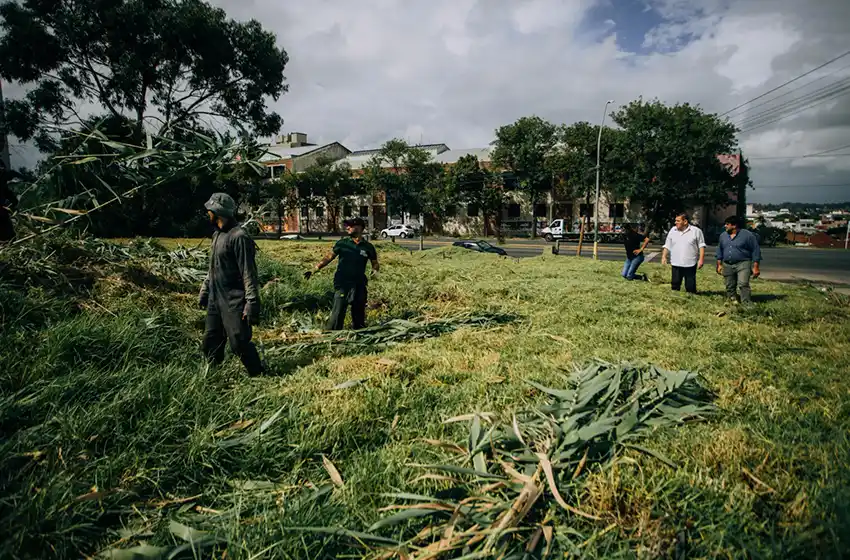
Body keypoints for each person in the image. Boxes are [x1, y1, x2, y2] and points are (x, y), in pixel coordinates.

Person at [198, 192, 265, 375]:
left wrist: (251, 302)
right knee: (211, 341)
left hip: (234, 300)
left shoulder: (239, 237)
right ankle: (213, 375)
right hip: (215, 298)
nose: (207, 213)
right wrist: (205, 290)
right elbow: (213, 267)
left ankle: (257, 373)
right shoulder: (216, 235)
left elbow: (248, 272)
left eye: (210, 210)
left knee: (238, 342)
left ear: (217, 212)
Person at [306, 217, 379, 330]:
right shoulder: (342, 243)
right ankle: (333, 333)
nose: (347, 228)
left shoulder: (368, 247)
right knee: (338, 310)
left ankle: (359, 332)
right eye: (347, 225)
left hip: (359, 283)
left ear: (360, 228)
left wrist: (375, 271)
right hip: (343, 282)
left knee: (359, 311)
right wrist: (314, 269)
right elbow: (329, 257)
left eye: (350, 225)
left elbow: (375, 262)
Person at [716, 216, 762, 304]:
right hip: (727, 264)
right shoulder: (723, 236)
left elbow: (756, 250)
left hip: (743, 263)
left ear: (734, 226)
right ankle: (732, 300)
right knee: (729, 285)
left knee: (743, 283)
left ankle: (746, 303)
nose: (725, 226)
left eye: (727, 224)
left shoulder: (748, 235)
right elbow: (719, 250)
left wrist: (756, 267)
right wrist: (719, 264)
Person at [661, 213, 706, 293]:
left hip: (690, 263)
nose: (675, 222)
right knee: (675, 284)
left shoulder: (696, 231)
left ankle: (691, 296)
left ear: (685, 222)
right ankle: (675, 297)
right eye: (675, 220)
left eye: (678, 221)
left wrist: (701, 259)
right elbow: (667, 245)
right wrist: (664, 256)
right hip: (676, 263)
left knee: (690, 286)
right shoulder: (673, 230)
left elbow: (701, 246)